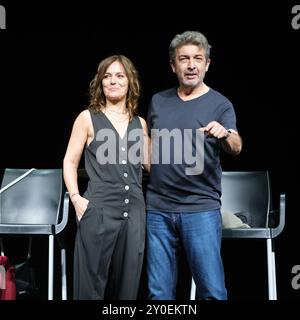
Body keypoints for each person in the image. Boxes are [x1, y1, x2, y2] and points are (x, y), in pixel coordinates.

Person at [146, 31, 242, 300]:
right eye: (184, 59)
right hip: (158, 210)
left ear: (207, 64)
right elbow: (151, 148)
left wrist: (225, 134)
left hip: (200, 209)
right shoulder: (158, 101)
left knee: (212, 292)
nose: (191, 65)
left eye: (198, 59)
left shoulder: (220, 104)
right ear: (173, 65)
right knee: (158, 294)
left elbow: (236, 146)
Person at [63, 54, 150, 300]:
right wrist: (76, 198)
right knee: (89, 286)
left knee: (128, 286)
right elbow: (70, 161)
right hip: (98, 208)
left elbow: (152, 166)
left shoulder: (140, 123)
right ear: (100, 82)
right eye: (107, 76)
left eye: (120, 75)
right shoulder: (87, 118)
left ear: (129, 81)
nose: (113, 81)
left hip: (134, 210)